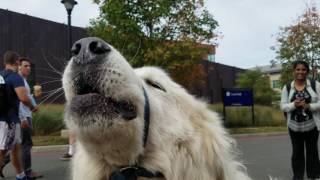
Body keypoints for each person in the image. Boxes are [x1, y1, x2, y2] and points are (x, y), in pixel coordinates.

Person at [281, 60, 320, 180]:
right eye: (298, 69)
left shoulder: (315, 85)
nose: (300, 72)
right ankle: (298, 177)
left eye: (303, 69)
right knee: (297, 153)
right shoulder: (287, 87)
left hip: (312, 126)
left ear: (307, 71)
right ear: (294, 71)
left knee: (312, 152)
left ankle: (314, 176)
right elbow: (283, 106)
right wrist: (294, 105)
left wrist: (309, 106)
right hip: (294, 127)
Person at [0, 51, 36, 180]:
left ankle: (21, 175)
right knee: (3, 150)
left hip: (3, 118)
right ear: (16, 62)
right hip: (10, 120)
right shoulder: (15, 77)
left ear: (5, 62)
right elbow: (23, 98)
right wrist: (32, 107)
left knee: (15, 148)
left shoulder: (1, 75)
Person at [18, 57, 42, 179]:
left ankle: (2, 164)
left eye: (29, 66)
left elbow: (27, 97)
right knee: (26, 144)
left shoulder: (24, 81)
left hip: (26, 114)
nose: (29, 68)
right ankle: (28, 172)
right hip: (23, 117)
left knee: (16, 145)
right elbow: (18, 101)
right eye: (25, 66)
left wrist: (33, 103)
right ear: (19, 67)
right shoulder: (19, 81)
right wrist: (22, 118)